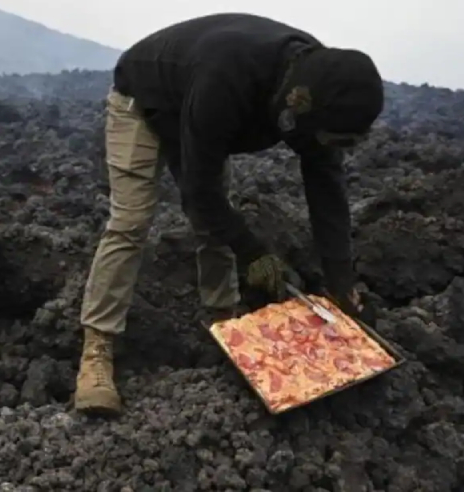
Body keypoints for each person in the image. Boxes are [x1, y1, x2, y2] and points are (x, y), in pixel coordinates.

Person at [74, 12, 385, 416]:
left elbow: (327, 192)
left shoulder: (324, 89)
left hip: (201, 108)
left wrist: (342, 282)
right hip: (146, 100)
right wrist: (255, 254)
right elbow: (199, 193)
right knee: (131, 221)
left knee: (216, 227)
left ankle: (224, 325)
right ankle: (97, 351)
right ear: (295, 107)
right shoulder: (229, 79)